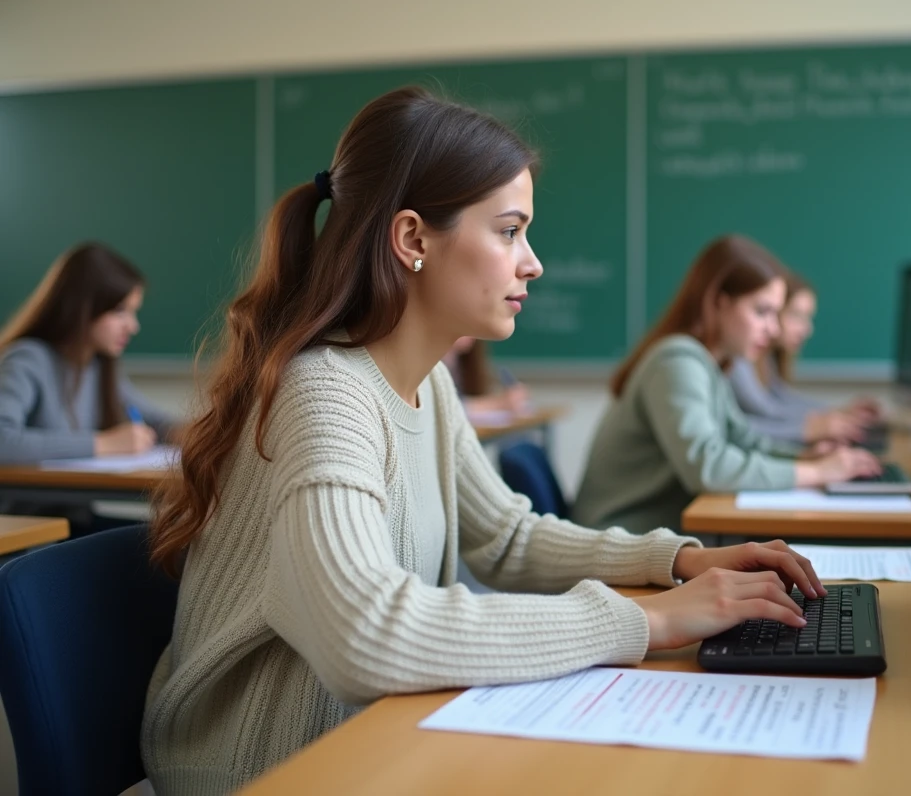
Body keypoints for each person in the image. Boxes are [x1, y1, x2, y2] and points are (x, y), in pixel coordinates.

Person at [142, 86, 827, 795]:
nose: (531, 262)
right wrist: (645, 619)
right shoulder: (324, 394)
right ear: (412, 240)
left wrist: (677, 560)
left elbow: (506, 540)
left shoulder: (427, 386)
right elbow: (365, 637)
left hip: (375, 739)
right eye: (508, 231)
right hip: (266, 770)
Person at [572, 235, 881, 535]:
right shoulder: (678, 361)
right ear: (720, 302)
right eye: (762, 312)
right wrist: (816, 474)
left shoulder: (709, 364)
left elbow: (744, 439)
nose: (773, 330)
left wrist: (804, 458)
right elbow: (709, 467)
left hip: (652, 537)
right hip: (616, 540)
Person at [0, 242, 175, 465]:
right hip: (25, 500)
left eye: (134, 312)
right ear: (82, 307)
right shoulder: (28, 359)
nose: (132, 326)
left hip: (74, 500)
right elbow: (3, 441)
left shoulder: (98, 365)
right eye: (120, 311)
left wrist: (199, 433)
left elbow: (155, 422)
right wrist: (103, 444)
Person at [727, 269, 881, 444]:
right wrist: (815, 426)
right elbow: (766, 410)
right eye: (797, 316)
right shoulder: (738, 355)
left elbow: (780, 397)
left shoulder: (764, 358)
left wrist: (835, 413)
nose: (807, 330)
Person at [442, 335, 529, 416]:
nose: (473, 331)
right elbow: (445, 409)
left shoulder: (465, 363)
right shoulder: (433, 365)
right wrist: (499, 403)